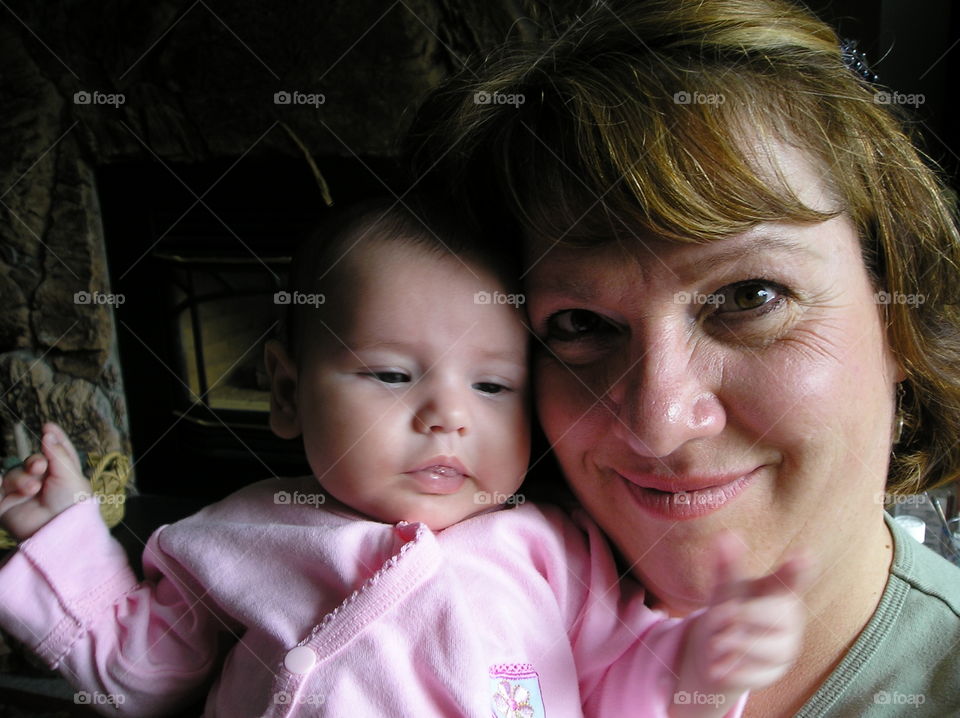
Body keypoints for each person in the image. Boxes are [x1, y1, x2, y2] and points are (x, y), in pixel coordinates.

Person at [0, 198, 806, 717]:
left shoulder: (556, 557)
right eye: (390, 375)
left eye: (493, 387)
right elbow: (139, 674)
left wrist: (697, 664)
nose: (448, 416)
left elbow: (616, 691)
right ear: (286, 394)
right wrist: (63, 535)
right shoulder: (239, 535)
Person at [405, 0, 960, 715]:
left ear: (902, 320)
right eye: (580, 323)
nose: (659, 421)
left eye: (750, 295)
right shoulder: (426, 601)